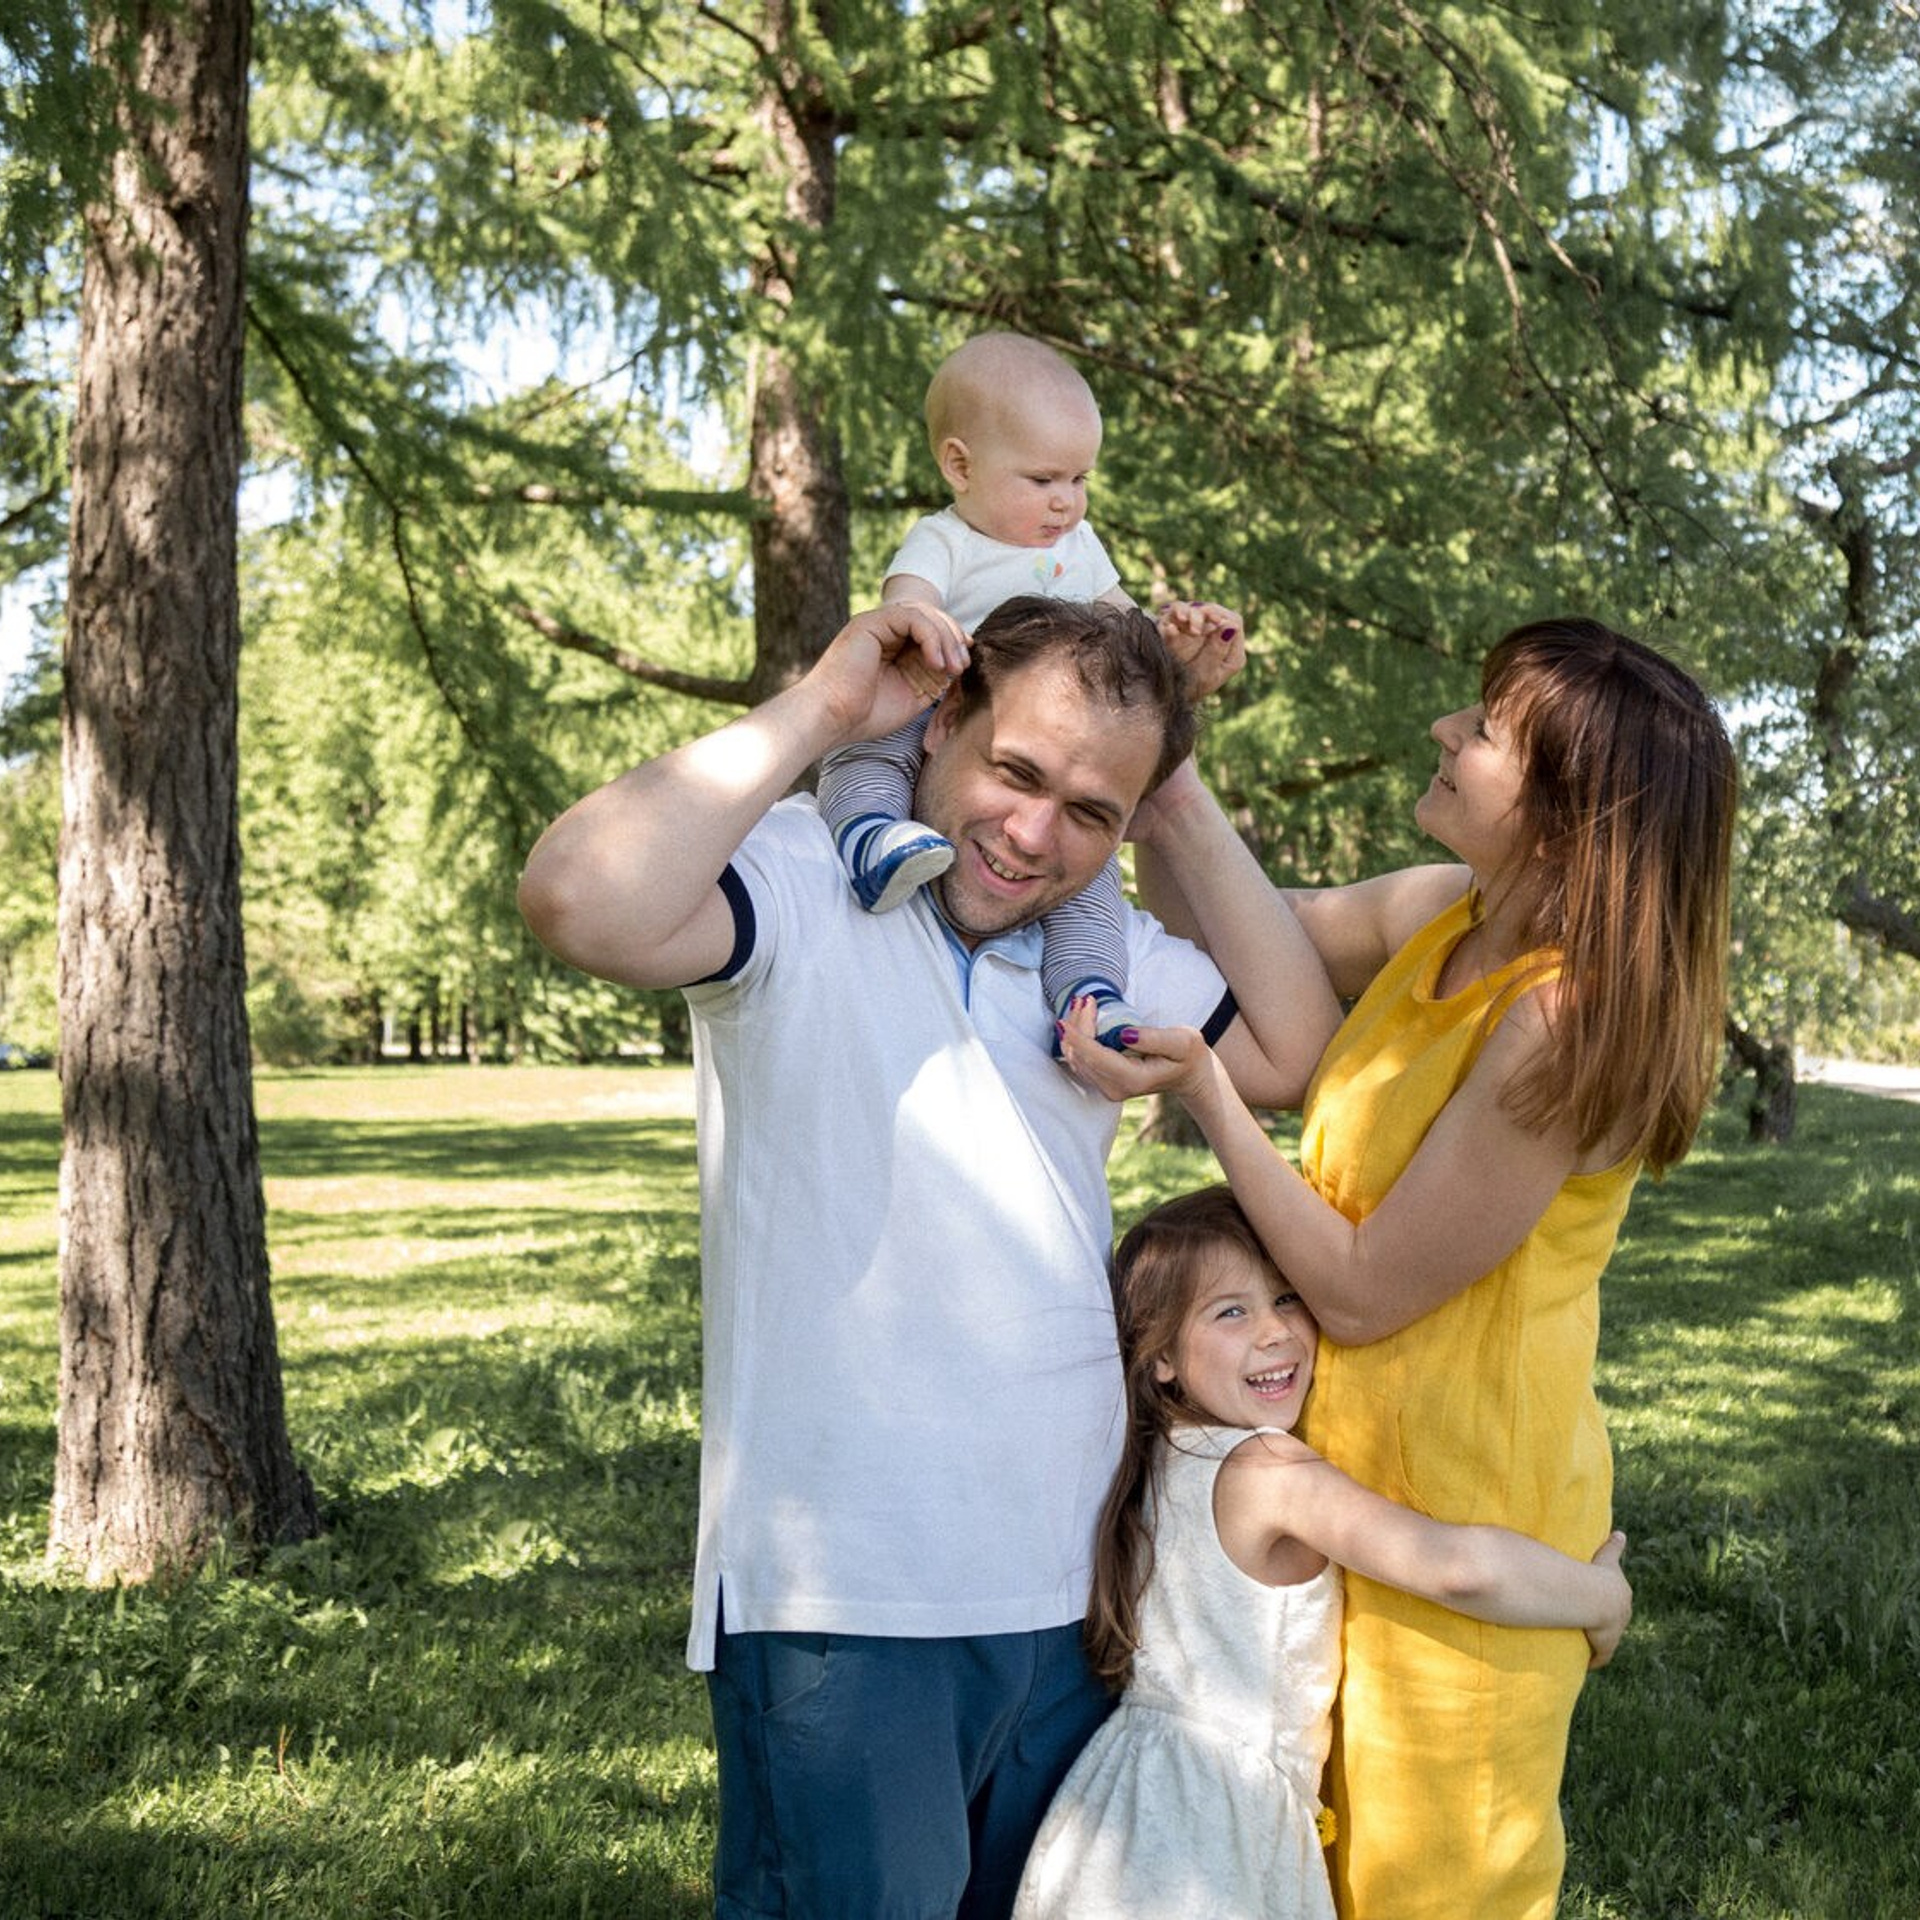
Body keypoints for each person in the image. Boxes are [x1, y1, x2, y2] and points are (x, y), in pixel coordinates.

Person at [517, 593, 1341, 1919]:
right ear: (941, 721)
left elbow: (1299, 1051)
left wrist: (1172, 792)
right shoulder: (793, 881)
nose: (1034, 835)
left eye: (1091, 812)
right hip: (848, 1602)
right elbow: (574, 897)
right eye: (1016, 772)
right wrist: (830, 707)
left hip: (1075, 1597)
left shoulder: (1102, 961)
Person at [1055, 617, 1737, 1920]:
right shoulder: (1443, 915)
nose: (1445, 732)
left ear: (1564, 819)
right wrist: (1171, 747)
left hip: (1463, 1534)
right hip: (1337, 1504)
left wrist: (1209, 1092)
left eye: (1483, 733)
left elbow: (1365, 1287)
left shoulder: (1560, 1019)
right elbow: (1234, 931)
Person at [1012, 1187, 1631, 1920]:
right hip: (1214, 1834)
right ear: (1161, 1359)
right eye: (1231, 1311)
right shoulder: (1269, 1472)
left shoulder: (1158, 1459)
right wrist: (1603, 1599)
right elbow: (1454, 1567)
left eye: (1285, 1297)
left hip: (1122, 1813)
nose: (1274, 1331)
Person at [819, 330, 1240, 1051]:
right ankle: (871, 838)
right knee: (865, 756)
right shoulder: (943, 540)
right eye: (1043, 481)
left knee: (1092, 881)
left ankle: (1089, 994)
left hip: (1041, 745)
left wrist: (1173, 644)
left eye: (1080, 481)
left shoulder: (1078, 549)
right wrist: (923, 621)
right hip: (934, 696)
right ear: (960, 465)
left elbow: (1123, 626)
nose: (1066, 505)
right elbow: (908, 604)